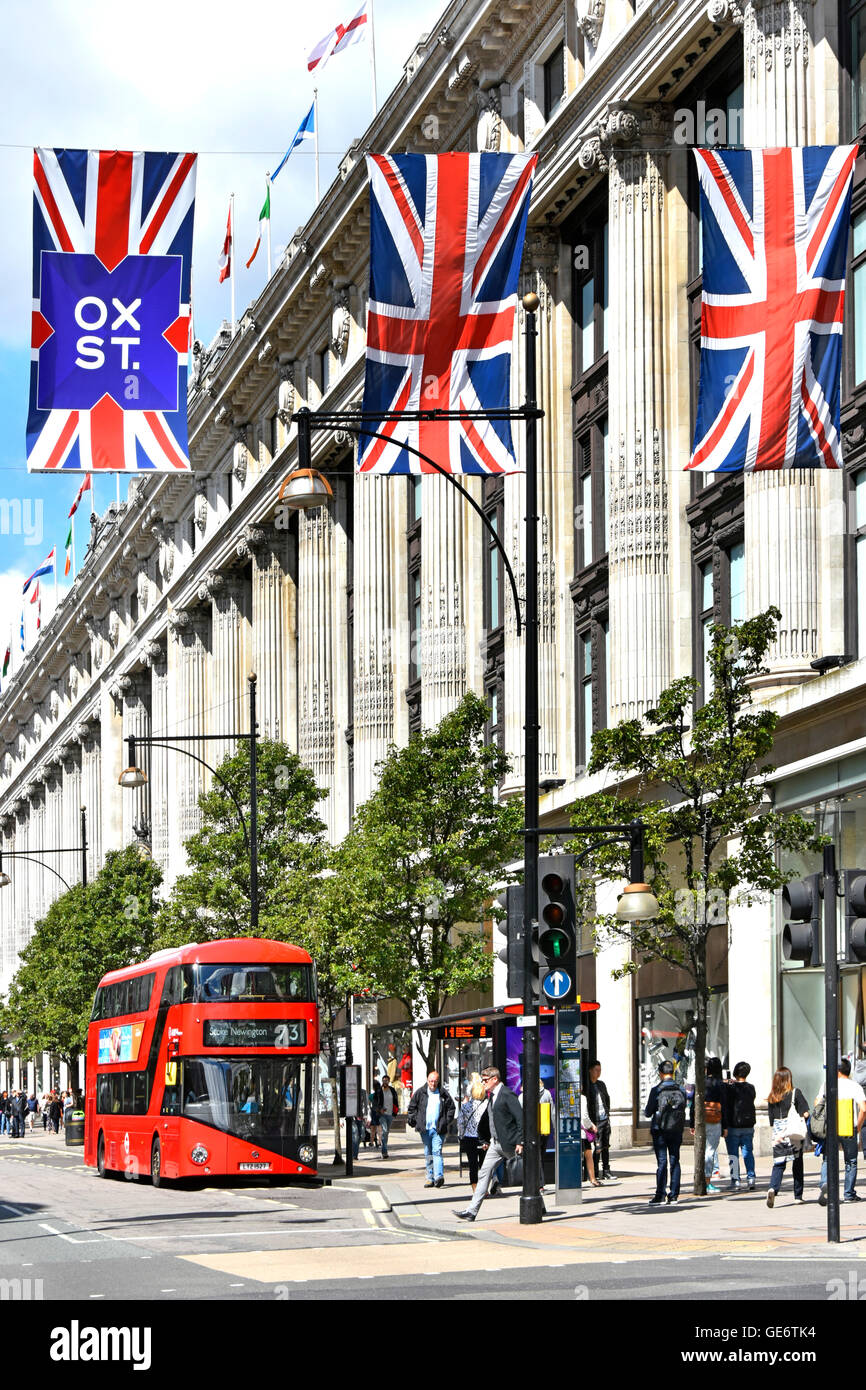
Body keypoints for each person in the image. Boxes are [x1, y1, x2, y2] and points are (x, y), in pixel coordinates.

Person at [455, 1066, 523, 1222]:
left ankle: (538, 1206)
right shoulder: (491, 1096)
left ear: (495, 1079)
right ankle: (471, 1211)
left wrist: (520, 1141)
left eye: (485, 1080)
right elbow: (487, 1119)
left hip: (511, 1144)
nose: (483, 1083)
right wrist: (484, 1139)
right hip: (495, 1145)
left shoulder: (507, 1095)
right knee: (484, 1174)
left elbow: (520, 1118)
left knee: (527, 1175)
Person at [816, 1058, 866, 1206]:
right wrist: (858, 1126)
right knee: (850, 1161)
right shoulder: (854, 1086)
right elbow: (863, 1108)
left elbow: (817, 1103)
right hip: (848, 1126)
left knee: (828, 1158)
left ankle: (826, 1184)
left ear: (837, 1071)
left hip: (830, 1126)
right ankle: (848, 1194)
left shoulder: (827, 1084)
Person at [644, 1060, 687, 1206]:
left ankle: (660, 1194)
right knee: (675, 1160)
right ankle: (674, 1195)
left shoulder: (657, 1090)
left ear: (660, 1073)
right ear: (672, 1072)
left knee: (662, 1162)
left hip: (660, 1130)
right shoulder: (681, 1089)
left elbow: (648, 1112)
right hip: (676, 1130)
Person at [766, 1066, 809, 1207]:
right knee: (797, 1163)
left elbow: (771, 1120)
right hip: (793, 1132)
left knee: (779, 1163)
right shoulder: (795, 1093)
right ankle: (798, 1196)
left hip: (778, 1133)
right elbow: (805, 1113)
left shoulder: (772, 1097)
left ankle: (773, 1188)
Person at [407, 1070, 455, 1188]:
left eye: (435, 1081)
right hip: (425, 1129)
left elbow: (451, 1108)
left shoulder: (443, 1094)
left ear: (438, 1081)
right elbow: (412, 1108)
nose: (433, 1084)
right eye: (431, 1081)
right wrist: (414, 1120)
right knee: (428, 1152)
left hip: (438, 1129)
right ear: (427, 1081)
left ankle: (439, 1177)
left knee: (437, 1151)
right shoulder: (420, 1093)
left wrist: (446, 1122)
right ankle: (430, 1178)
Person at [692, 1056, 726, 1194]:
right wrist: (725, 1126)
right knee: (710, 1152)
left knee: (702, 1151)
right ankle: (707, 1181)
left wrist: (691, 1123)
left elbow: (693, 1104)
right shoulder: (720, 1084)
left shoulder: (700, 1083)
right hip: (715, 1120)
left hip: (701, 1120)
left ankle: (700, 1180)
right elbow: (725, 1107)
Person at [725, 1061, 757, 1191]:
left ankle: (736, 1180)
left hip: (733, 1124)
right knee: (748, 1152)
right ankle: (751, 1178)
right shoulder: (751, 1088)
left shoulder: (730, 1088)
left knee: (733, 1154)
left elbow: (727, 1104)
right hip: (748, 1124)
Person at [457, 1074, 487, 1192]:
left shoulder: (465, 1106)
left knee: (472, 1165)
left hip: (469, 1138)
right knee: (484, 1165)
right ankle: (485, 1187)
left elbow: (460, 1122)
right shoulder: (486, 1105)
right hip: (483, 1138)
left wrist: (461, 1135)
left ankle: (475, 1187)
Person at [586, 1060, 613, 1181]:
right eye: (596, 1070)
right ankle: (595, 1171)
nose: (598, 1073)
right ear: (590, 1071)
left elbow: (607, 1099)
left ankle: (606, 1170)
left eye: (600, 1070)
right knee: (597, 1147)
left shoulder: (601, 1084)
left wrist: (607, 1114)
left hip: (604, 1119)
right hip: (595, 1120)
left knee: (606, 1146)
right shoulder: (587, 1086)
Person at [379, 1075, 397, 1159]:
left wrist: (395, 1112)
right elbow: (374, 1102)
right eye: (383, 1080)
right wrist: (379, 1110)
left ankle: (384, 1148)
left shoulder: (392, 1090)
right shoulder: (379, 1090)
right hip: (382, 1115)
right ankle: (384, 1152)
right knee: (385, 1131)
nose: (385, 1082)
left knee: (386, 1133)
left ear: (389, 1081)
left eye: (386, 1080)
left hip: (390, 1114)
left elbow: (396, 1101)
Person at [368, 1079, 383, 1149]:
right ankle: (380, 1141)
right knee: (380, 1128)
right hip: (380, 1112)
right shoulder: (381, 1095)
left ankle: (371, 1141)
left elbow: (368, 1104)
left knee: (373, 1128)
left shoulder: (371, 1096)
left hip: (374, 1112)